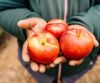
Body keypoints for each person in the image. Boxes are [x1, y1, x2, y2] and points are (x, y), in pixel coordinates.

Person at [0, 0, 100, 83]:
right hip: (41, 70)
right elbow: (5, 6)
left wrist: (88, 24)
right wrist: (27, 19)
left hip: (77, 68)